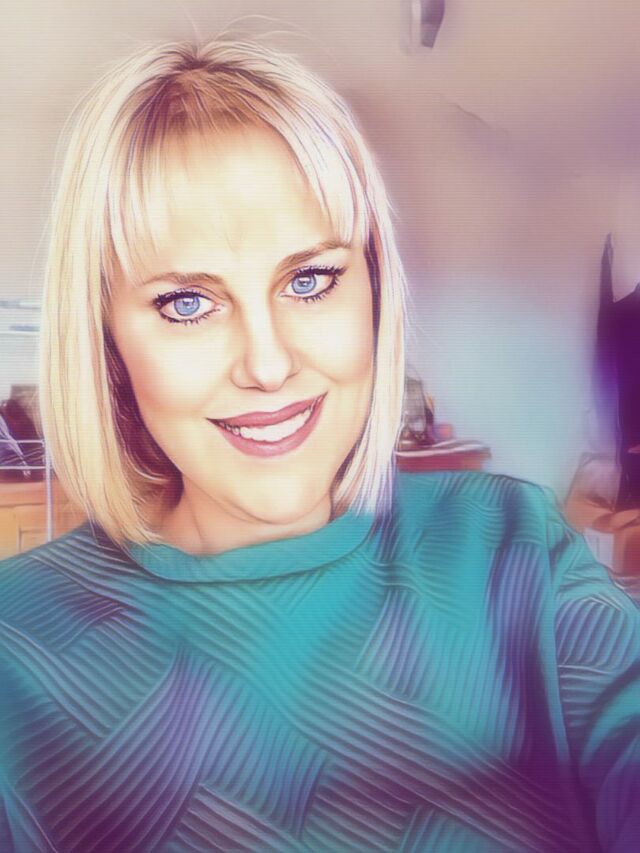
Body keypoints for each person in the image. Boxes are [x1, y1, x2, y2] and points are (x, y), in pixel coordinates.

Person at [0, 37, 638, 853]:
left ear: (372, 287)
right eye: (187, 302)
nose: (268, 365)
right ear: (107, 338)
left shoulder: (512, 548)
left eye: (309, 280)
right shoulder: (18, 648)